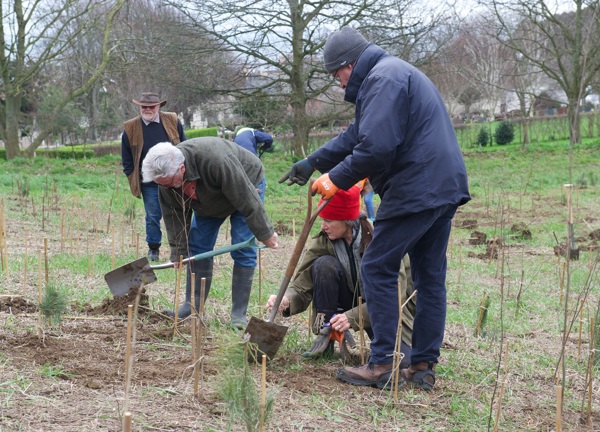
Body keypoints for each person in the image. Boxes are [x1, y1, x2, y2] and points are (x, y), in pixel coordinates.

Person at [280, 27, 470, 390]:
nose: (338, 84)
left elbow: (376, 148)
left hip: (417, 186)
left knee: (378, 264)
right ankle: (422, 365)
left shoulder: (383, 79)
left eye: (337, 74)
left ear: (350, 64)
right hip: (443, 185)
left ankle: (382, 362)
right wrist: (313, 162)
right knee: (429, 278)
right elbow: (356, 136)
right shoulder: (392, 75)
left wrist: (335, 178)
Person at [266, 185, 415, 366]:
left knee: (402, 362)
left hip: (385, 309)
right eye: (322, 219)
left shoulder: (382, 240)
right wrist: (286, 299)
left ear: (348, 219)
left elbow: (393, 297)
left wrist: (351, 317)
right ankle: (325, 335)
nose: (323, 226)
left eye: (329, 220)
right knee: (324, 265)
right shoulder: (324, 240)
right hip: (350, 303)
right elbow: (301, 284)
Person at [141, 138, 279, 329]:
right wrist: (178, 252)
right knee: (197, 247)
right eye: (162, 185)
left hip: (246, 184)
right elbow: (174, 216)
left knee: (242, 248)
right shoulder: (167, 183)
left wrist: (264, 232)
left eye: (170, 183)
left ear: (181, 168)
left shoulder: (216, 160)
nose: (167, 188)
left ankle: (238, 315)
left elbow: (245, 197)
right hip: (209, 198)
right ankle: (192, 308)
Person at [121, 92, 186, 262]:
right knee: (152, 215)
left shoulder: (172, 120)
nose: (147, 110)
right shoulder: (131, 127)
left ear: (159, 106)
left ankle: (181, 248)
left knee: (178, 212)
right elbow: (127, 157)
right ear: (139, 107)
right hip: (149, 181)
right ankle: (154, 248)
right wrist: (132, 175)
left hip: (173, 178)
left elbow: (184, 146)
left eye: (151, 106)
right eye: (144, 107)